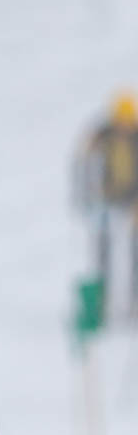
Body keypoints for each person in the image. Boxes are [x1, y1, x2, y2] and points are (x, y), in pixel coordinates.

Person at [75, 92, 138, 320]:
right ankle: (101, 303)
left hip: (132, 202)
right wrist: (88, 196)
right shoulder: (103, 135)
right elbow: (84, 160)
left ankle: (132, 303)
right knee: (103, 252)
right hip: (108, 201)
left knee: (133, 254)